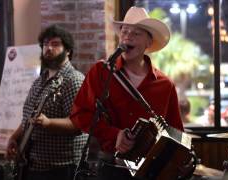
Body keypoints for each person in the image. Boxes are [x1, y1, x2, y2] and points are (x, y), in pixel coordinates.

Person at [70, 6, 194, 179]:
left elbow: (176, 132)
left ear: (149, 43)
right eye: (125, 31)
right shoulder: (101, 72)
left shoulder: (165, 85)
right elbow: (79, 115)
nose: (128, 36)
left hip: (152, 171)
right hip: (110, 167)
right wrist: (115, 134)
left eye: (136, 33)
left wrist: (182, 161)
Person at [6, 25, 88, 180]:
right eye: (45, 44)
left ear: (68, 50)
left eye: (55, 44)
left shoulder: (74, 80)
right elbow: (29, 117)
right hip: (33, 165)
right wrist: (14, 137)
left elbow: (79, 125)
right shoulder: (40, 80)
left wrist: (49, 123)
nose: (48, 48)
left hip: (61, 169)